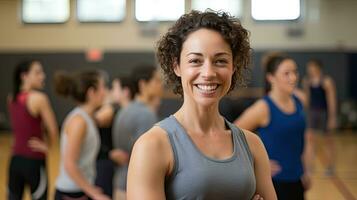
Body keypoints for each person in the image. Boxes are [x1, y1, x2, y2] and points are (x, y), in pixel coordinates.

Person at [127, 10, 276, 200]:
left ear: (233, 68)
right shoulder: (152, 146)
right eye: (195, 61)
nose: (208, 73)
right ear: (176, 66)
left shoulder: (252, 144)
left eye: (220, 61)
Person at [235, 53, 311, 200]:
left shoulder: (300, 100)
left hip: (297, 179)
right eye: (286, 74)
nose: (293, 78)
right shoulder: (263, 108)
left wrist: (306, 171)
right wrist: (256, 164)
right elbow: (231, 136)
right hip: (273, 183)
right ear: (271, 78)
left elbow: (303, 138)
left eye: (295, 72)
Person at [54, 70, 110, 200]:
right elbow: (69, 163)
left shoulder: (88, 118)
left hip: (81, 189)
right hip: (71, 192)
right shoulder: (79, 121)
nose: (106, 92)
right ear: (91, 92)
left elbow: (105, 116)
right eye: (103, 87)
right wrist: (94, 193)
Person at [8, 59, 58, 200]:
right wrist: (48, 145)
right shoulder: (39, 98)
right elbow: (53, 130)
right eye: (37, 72)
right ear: (24, 76)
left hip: (15, 160)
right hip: (34, 161)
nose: (42, 76)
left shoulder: (12, 98)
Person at [112, 65, 163, 197]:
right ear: (143, 84)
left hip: (121, 182)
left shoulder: (125, 109)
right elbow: (148, 158)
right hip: (136, 187)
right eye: (156, 81)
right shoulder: (145, 114)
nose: (160, 84)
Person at [94, 75, 133, 198]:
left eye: (114, 88)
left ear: (125, 92)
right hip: (107, 163)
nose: (110, 91)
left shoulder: (124, 111)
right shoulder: (111, 109)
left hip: (121, 167)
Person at [303, 59, 337, 175]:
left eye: (311, 67)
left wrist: (332, 118)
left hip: (324, 113)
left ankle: (330, 166)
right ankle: (309, 167)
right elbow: (307, 100)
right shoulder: (307, 81)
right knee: (309, 139)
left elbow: (331, 101)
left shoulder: (326, 81)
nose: (309, 70)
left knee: (328, 140)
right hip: (312, 112)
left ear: (318, 68)